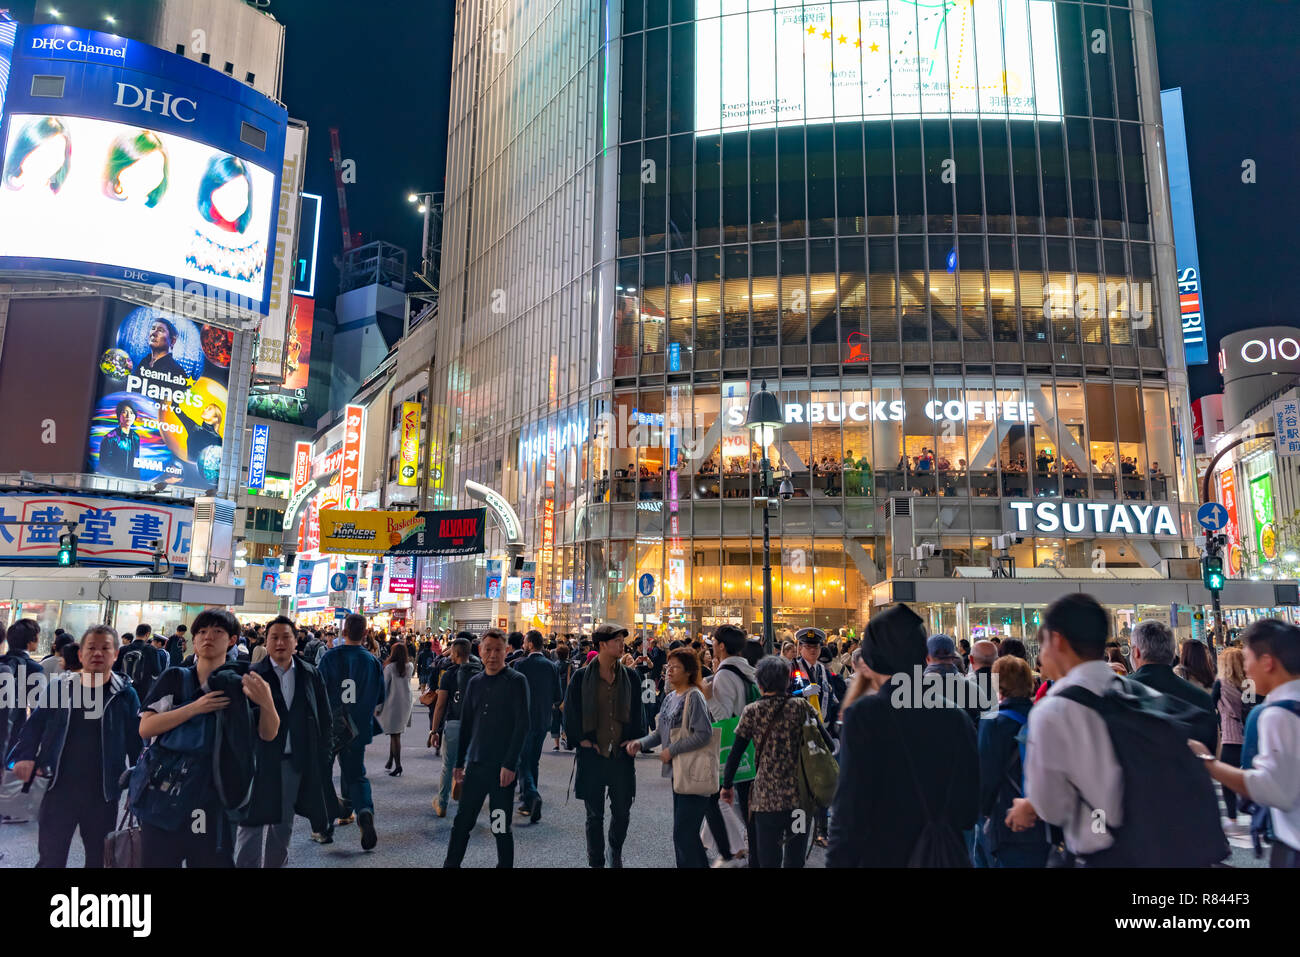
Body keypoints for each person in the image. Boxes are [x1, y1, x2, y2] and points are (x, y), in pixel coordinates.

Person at [1006, 594, 1226, 866]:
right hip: (1158, 848)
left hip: (1103, 854)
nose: (1039, 655)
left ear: (1057, 640)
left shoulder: (1053, 712)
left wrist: (1028, 806)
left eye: (1041, 643)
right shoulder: (1136, 692)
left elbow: (1051, 807)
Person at [827, 603, 978, 866]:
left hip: (881, 856)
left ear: (872, 658)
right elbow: (969, 809)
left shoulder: (865, 715)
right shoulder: (955, 716)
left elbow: (849, 811)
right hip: (941, 856)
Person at [137, 609, 279, 867]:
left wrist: (267, 703)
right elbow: (146, 728)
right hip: (165, 794)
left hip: (214, 799)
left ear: (233, 640)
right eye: (201, 632)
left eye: (217, 632)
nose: (207, 637)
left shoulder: (241, 683)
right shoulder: (175, 677)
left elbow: (268, 733)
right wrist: (194, 708)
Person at [6, 626, 143, 867]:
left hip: (103, 793)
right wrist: (24, 756)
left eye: (105, 648)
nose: (97, 653)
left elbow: (136, 741)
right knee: (50, 857)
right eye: (91, 648)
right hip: (58, 787)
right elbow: (35, 725)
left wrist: (137, 784)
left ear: (115, 654)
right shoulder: (60, 687)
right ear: (80, 654)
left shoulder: (125, 695)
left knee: (98, 858)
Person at [1190, 619, 1300, 867]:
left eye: (1248, 658)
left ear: (1267, 662)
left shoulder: (1277, 714)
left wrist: (1209, 764)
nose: (1246, 668)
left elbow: (1272, 788)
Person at [235, 617, 336, 867]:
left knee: (283, 827)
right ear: (266, 642)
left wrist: (324, 757)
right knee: (251, 824)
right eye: (274, 637)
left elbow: (325, 719)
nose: (280, 642)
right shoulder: (251, 675)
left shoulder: (310, 674)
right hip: (259, 762)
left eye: (286, 637)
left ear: (296, 641)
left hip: (294, 762)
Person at [721, 655, 830, 867]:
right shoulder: (802, 707)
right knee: (795, 857)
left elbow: (735, 754)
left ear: (760, 684)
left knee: (768, 858)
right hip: (799, 801)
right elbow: (827, 744)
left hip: (765, 801)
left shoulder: (752, 711)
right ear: (787, 682)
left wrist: (726, 786)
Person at [444, 629, 529, 868]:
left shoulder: (516, 682)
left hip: (503, 770)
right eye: (487, 650)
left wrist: (511, 764)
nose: (492, 655)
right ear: (479, 652)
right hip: (476, 766)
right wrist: (459, 763)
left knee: (499, 825)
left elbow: (522, 725)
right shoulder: (475, 682)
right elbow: (467, 726)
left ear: (506, 651)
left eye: (498, 650)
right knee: (462, 822)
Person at [564, 623, 647, 867]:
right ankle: (596, 860)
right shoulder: (581, 677)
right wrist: (581, 739)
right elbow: (570, 712)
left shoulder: (631, 675)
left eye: (623, 640)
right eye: (617, 641)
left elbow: (638, 713)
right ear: (602, 645)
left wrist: (636, 740)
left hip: (620, 756)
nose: (623, 645)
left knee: (622, 812)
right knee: (594, 815)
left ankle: (615, 849)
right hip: (593, 755)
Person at [630, 647, 716, 868]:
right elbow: (660, 733)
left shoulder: (694, 697)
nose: (669, 671)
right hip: (678, 773)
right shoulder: (669, 698)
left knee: (683, 834)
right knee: (685, 835)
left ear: (688, 672)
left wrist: (673, 750)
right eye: (668, 667)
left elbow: (704, 734)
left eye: (675, 667)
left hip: (694, 771)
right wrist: (641, 743)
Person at [318, 613, 385, 851]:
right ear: (365, 634)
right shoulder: (372, 661)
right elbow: (380, 697)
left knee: (323, 774)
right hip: (358, 726)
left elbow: (318, 690)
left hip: (331, 726)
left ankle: (325, 824)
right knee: (356, 773)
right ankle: (363, 810)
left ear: (343, 632)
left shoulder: (329, 657)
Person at [975, 656, 1049, 867]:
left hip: (1009, 820)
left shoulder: (993, 723)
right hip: (1044, 819)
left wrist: (985, 814)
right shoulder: (1044, 715)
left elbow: (986, 777)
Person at [703, 623, 756, 866]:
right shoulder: (747, 670)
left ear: (721, 646)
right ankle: (739, 850)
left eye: (714, 643)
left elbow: (724, 718)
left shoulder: (725, 675)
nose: (712, 646)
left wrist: (709, 696)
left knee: (719, 798)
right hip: (752, 745)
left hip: (735, 746)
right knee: (743, 802)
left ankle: (735, 852)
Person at [1129, 621, 1217, 753]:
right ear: (1172, 653)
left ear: (1136, 652)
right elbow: (1211, 755)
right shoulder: (1202, 699)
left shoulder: (1119, 692)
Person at [429, 634, 481, 817]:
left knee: (448, 765)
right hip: (475, 726)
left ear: (456, 653)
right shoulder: (480, 673)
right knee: (470, 764)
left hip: (453, 724)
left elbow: (440, 705)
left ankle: (442, 804)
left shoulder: (449, 674)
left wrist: (434, 730)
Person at [512, 629, 562, 822]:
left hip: (524, 719)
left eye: (525, 642)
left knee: (522, 760)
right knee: (533, 759)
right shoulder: (551, 666)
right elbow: (558, 696)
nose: (524, 645)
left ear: (531, 644)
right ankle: (527, 798)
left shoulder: (521, 665)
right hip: (544, 719)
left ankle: (531, 796)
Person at [0, 619, 45, 785]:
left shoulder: (1, 662)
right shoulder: (34, 668)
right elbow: (37, 711)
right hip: (13, 734)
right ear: (31, 642)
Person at [1212, 646, 1249, 820]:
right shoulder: (1250, 683)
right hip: (1250, 737)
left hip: (1231, 737)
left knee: (1227, 780)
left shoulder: (1220, 684)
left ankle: (1232, 815)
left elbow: (1209, 707)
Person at [376, 641, 415, 777]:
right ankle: (390, 761)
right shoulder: (409, 666)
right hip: (405, 702)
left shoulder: (390, 668)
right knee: (396, 733)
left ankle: (398, 765)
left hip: (393, 703)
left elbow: (384, 688)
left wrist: (378, 706)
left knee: (394, 734)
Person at [98, 399, 142, 480]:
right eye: (125, 412)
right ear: (119, 415)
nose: (129, 416)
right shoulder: (110, 438)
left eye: (132, 413)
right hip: (113, 482)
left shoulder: (135, 437)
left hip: (131, 483)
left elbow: (136, 463)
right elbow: (104, 465)